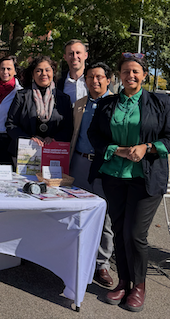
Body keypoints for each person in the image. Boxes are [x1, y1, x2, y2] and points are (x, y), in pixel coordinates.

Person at [88, 53, 170, 312]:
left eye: (136, 71)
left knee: (135, 234)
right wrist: (114, 149)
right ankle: (124, 282)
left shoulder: (161, 103)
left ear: (144, 75)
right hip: (114, 176)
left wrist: (148, 147)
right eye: (126, 71)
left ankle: (138, 286)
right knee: (119, 230)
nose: (131, 76)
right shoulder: (107, 104)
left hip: (145, 178)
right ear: (119, 75)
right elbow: (93, 134)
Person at [69, 62, 115, 287]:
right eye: (89, 77)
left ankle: (102, 264)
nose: (94, 81)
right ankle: (76, 256)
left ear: (108, 79)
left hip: (104, 166)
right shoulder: (79, 104)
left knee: (105, 216)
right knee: (76, 211)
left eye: (99, 77)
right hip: (78, 162)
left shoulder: (117, 104)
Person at [6, 55, 73, 159]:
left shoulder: (63, 99)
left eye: (47, 70)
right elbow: (11, 124)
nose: (44, 74)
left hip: (52, 153)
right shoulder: (22, 96)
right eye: (39, 71)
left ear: (53, 72)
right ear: (33, 74)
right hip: (24, 154)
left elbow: (68, 127)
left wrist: (55, 139)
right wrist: (28, 139)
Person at [56, 39, 89, 104]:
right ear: (65, 57)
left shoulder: (94, 80)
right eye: (71, 53)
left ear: (86, 55)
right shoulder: (58, 83)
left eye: (78, 53)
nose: (74, 57)